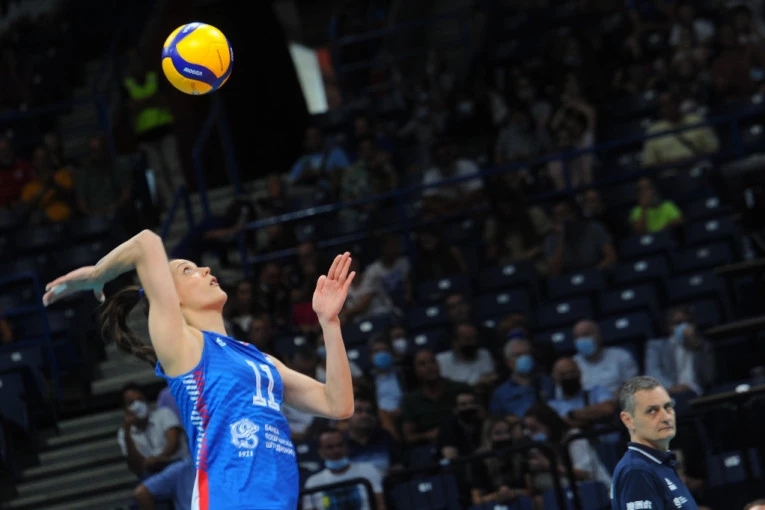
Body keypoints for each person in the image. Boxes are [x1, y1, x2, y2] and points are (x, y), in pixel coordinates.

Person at [42, 230, 357, 509]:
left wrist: (329, 323)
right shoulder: (184, 347)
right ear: (173, 299)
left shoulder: (263, 361)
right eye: (187, 270)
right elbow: (146, 243)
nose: (206, 269)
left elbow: (338, 404)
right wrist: (98, 274)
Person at [611, 376, 699, 510]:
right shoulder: (637, 471)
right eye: (652, 411)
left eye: (668, 407)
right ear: (628, 420)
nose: (666, 417)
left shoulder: (659, 463)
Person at [117, 383, 189, 478]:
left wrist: (157, 459)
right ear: (125, 409)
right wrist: (127, 432)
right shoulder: (124, 433)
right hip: (152, 475)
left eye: (140, 400)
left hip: (178, 465)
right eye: (131, 403)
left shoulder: (164, 414)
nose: (137, 405)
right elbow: (135, 465)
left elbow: (174, 444)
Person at [303, 429, 386, 510]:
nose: (336, 450)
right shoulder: (313, 482)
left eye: (340, 445)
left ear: (347, 446)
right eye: (329, 447)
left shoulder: (367, 470)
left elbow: (381, 505)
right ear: (320, 452)